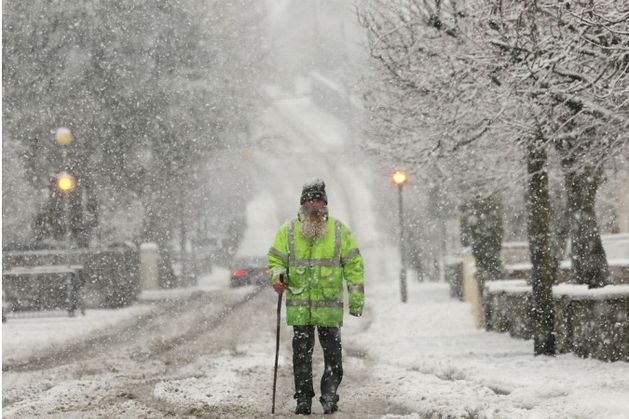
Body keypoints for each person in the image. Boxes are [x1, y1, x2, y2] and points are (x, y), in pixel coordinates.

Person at [267, 179, 365, 415]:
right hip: (300, 308)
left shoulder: (339, 231)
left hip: (329, 309)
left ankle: (330, 396)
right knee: (301, 357)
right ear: (302, 204)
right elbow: (275, 261)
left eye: (318, 200)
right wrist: (278, 276)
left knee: (333, 357)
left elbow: (354, 265)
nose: (314, 205)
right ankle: (303, 398)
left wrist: (356, 300)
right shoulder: (288, 231)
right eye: (310, 200)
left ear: (325, 204)